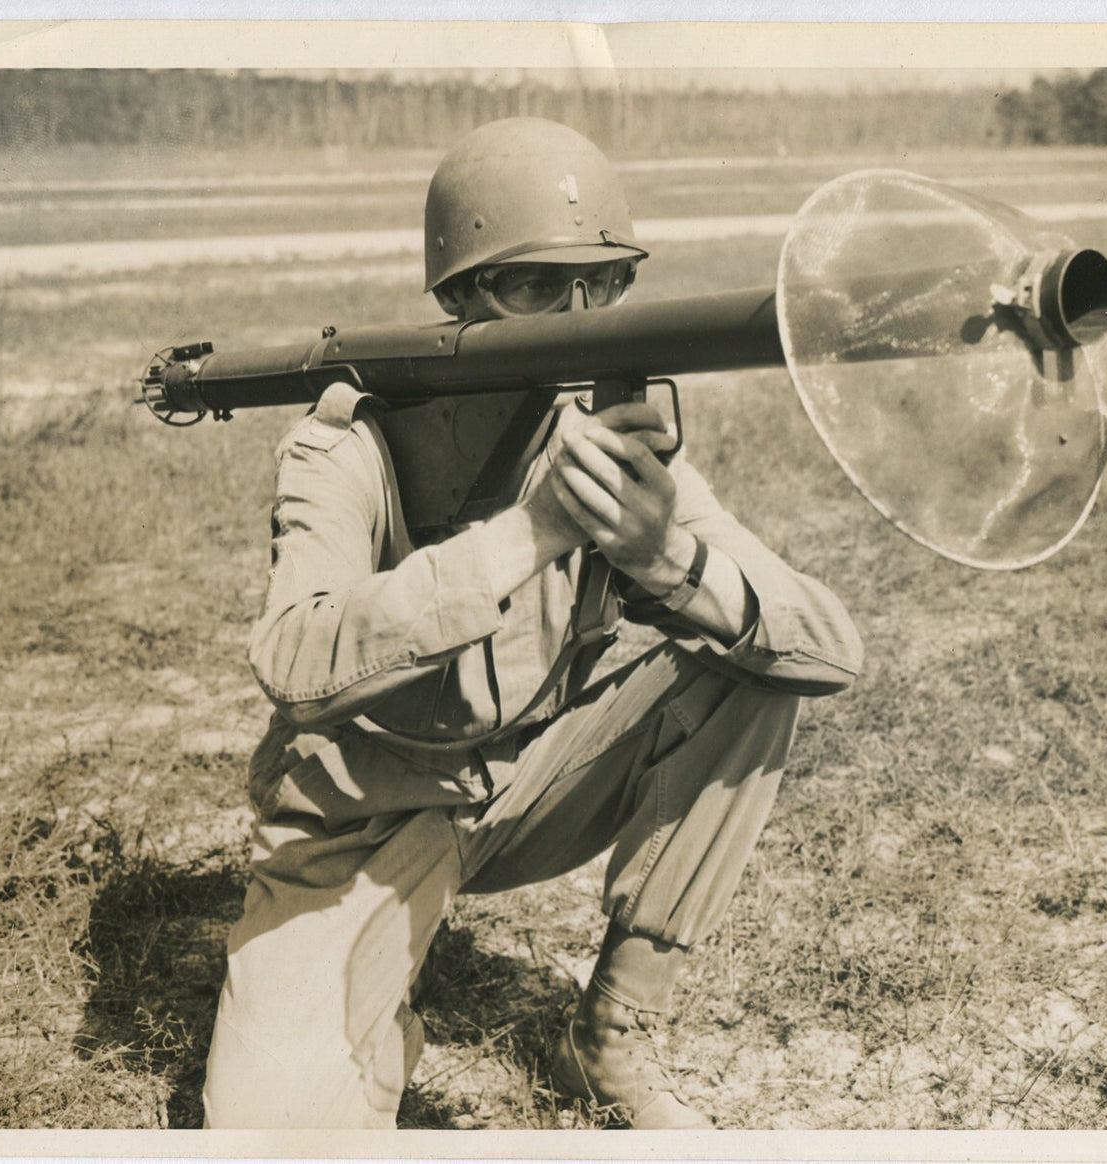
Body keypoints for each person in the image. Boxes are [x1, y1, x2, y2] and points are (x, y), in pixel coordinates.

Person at [202, 117, 863, 1130]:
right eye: (535, 287)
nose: (579, 316)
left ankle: (607, 1043)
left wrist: (664, 560)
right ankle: (370, 976)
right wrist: (531, 532)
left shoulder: (600, 436)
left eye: (601, 286)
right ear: (459, 295)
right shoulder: (347, 444)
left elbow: (826, 644)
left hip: (533, 786)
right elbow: (294, 662)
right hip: (365, 809)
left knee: (745, 658)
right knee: (274, 1132)